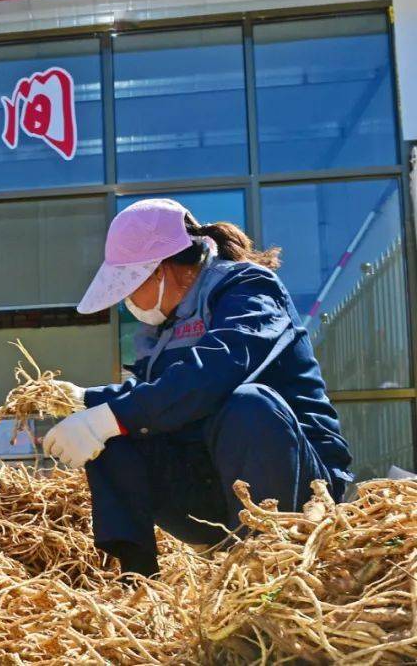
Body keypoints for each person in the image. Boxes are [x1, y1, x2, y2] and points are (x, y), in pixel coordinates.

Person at [42, 198, 352, 576]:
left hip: (301, 487)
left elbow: (218, 369)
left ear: (162, 270)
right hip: (213, 485)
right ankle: (137, 578)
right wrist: (87, 401)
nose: (127, 301)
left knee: (248, 403)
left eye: (130, 286)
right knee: (116, 434)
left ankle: (266, 563)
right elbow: (160, 394)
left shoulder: (249, 289)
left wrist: (111, 415)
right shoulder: (163, 330)